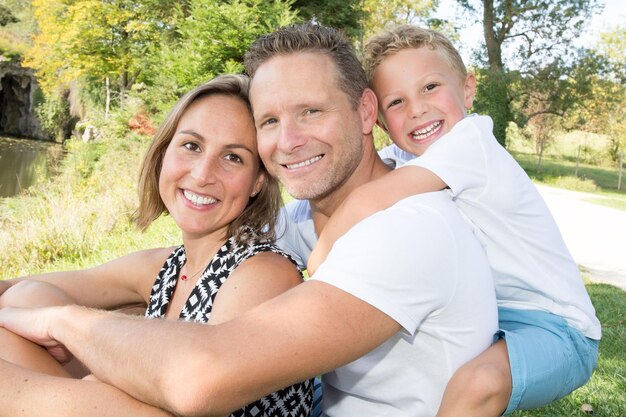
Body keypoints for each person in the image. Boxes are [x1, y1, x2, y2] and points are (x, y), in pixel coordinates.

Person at [0, 23, 497, 416]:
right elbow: (193, 263)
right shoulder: (301, 221)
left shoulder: (408, 230)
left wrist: (60, 322)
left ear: (366, 111)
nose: (288, 141)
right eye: (270, 121)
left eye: (311, 111)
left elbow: (199, 378)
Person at [307, 25, 601, 416]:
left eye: (430, 87)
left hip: (557, 327)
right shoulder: (413, 160)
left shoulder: (470, 142)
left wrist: (319, 265)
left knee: (478, 385)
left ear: (467, 88)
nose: (416, 108)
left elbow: (367, 199)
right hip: (488, 319)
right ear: (379, 122)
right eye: (396, 102)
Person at [0, 74, 313, 417]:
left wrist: (59, 325)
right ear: (164, 152)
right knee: (25, 298)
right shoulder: (167, 266)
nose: (203, 174)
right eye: (192, 146)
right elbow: (16, 289)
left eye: (233, 157)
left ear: (257, 181)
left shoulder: (266, 272)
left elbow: (194, 397)